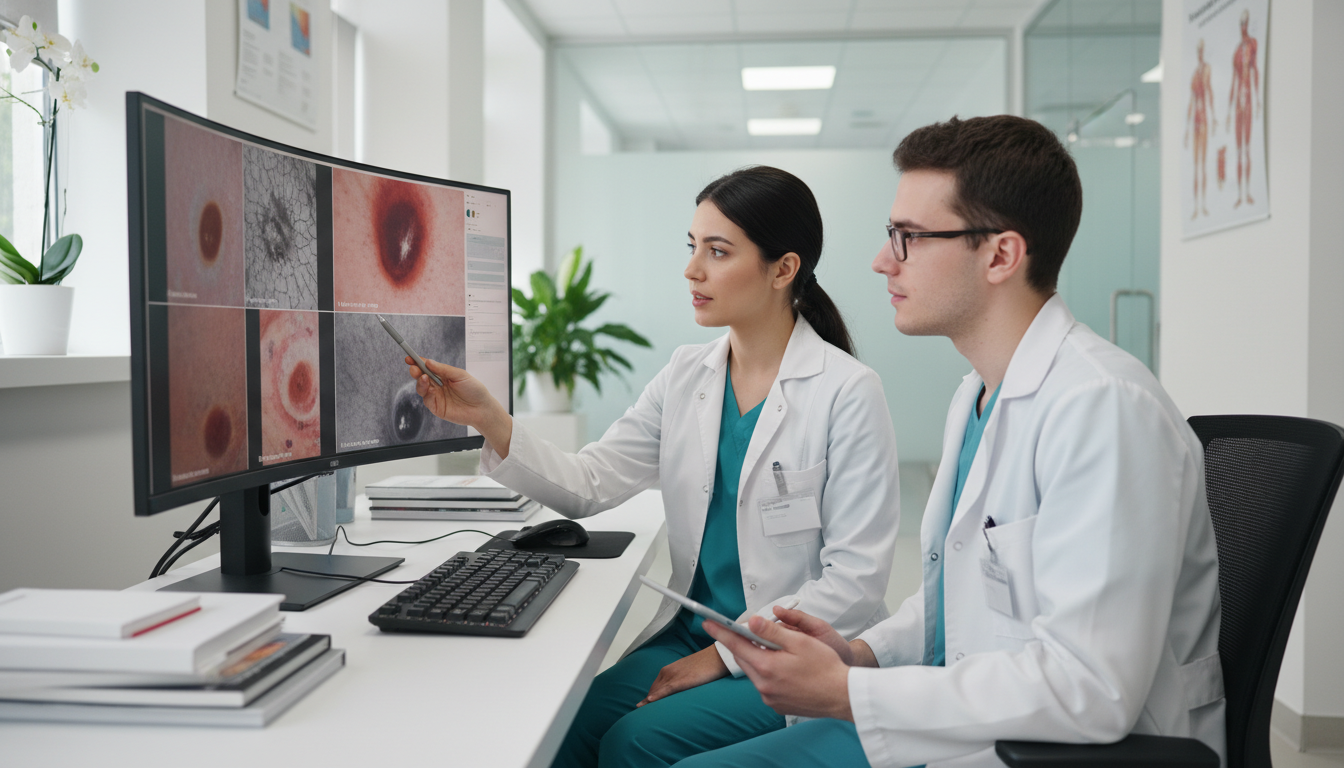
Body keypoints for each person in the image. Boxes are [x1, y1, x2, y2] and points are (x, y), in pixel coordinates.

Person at [689, 116, 1225, 768]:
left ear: (1000, 255)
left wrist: (852, 692)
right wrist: (858, 654)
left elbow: (1092, 688)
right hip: (965, 721)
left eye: (909, 238)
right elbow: (958, 604)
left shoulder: (1104, 409)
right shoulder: (977, 393)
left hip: (1058, 750)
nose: (882, 260)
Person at [405, 165, 902, 768]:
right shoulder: (686, 374)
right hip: (693, 631)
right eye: (693, 248)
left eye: (718, 252)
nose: (692, 270)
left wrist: (723, 657)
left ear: (783, 269)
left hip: (796, 651)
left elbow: (856, 577)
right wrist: (491, 419)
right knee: (564, 730)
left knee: (633, 742)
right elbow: (590, 483)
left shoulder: (847, 390)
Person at [1226, 9, 1261, 208]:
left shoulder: (1252, 45)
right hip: (1238, 104)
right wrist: (1230, 110)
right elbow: (1233, 81)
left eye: (1244, 23)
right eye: (1240, 24)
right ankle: (1240, 194)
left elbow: (1255, 71)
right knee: (1239, 150)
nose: (1242, 27)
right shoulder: (1236, 52)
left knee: (1246, 149)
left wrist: (1256, 100)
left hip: (1247, 100)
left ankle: (1247, 192)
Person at [1184, 38, 1216, 219]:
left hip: (1204, 121)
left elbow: (1209, 93)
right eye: (1198, 50)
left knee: (1202, 165)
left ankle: (1203, 204)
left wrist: (1214, 118)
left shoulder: (1206, 71)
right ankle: (1197, 206)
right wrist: (1187, 131)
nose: (1200, 53)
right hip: (1196, 122)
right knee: (1196, 166)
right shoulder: (1195, 75)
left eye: (1202, 50)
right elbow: (1191, 102)